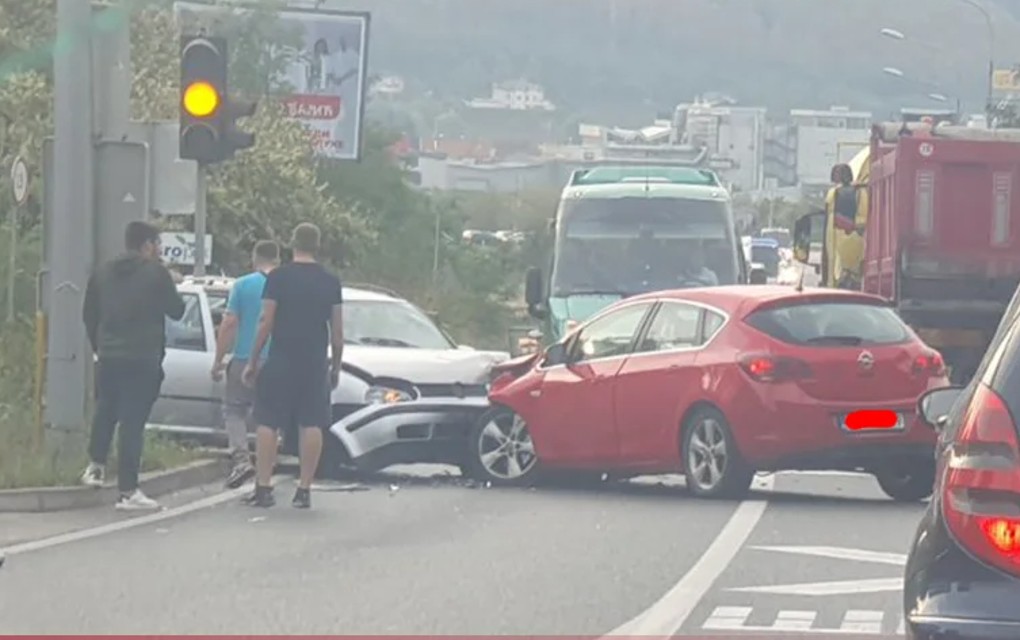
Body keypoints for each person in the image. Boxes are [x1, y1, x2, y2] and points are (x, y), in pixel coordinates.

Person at [81, 221, 185, 510]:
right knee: (132, 422)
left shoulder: (102, 271)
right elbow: (177, 311)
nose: (160, 250)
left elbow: (89, 313)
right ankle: (128, 491)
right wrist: (171, 281)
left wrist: (99, 347)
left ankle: (95, 466)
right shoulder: (157, 273)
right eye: (158, 244)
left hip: (109, 356)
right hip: (143, 357)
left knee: (105, 409)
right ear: (148, 245)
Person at [242, 223, 344, 509]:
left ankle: (263, 487)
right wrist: (335, 366)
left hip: (281, 358)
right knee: (311, 422)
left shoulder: (278, 277)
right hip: (313, 361)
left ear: (292, 243)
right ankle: (304, 489)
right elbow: (337, 332)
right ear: (318, 245)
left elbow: (266, 321)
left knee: (268, 420)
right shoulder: (330, 282)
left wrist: (252, 360)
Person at [211, 240, 280, 489]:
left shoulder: (243, 285)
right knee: (269, 417)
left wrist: (219, 359)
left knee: (234, 410)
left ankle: (241, 459)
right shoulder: (284, 285)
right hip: (276, 359)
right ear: (278, 259)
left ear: (254, 257)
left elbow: (229, 323)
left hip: (243, 356)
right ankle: (266, 472)